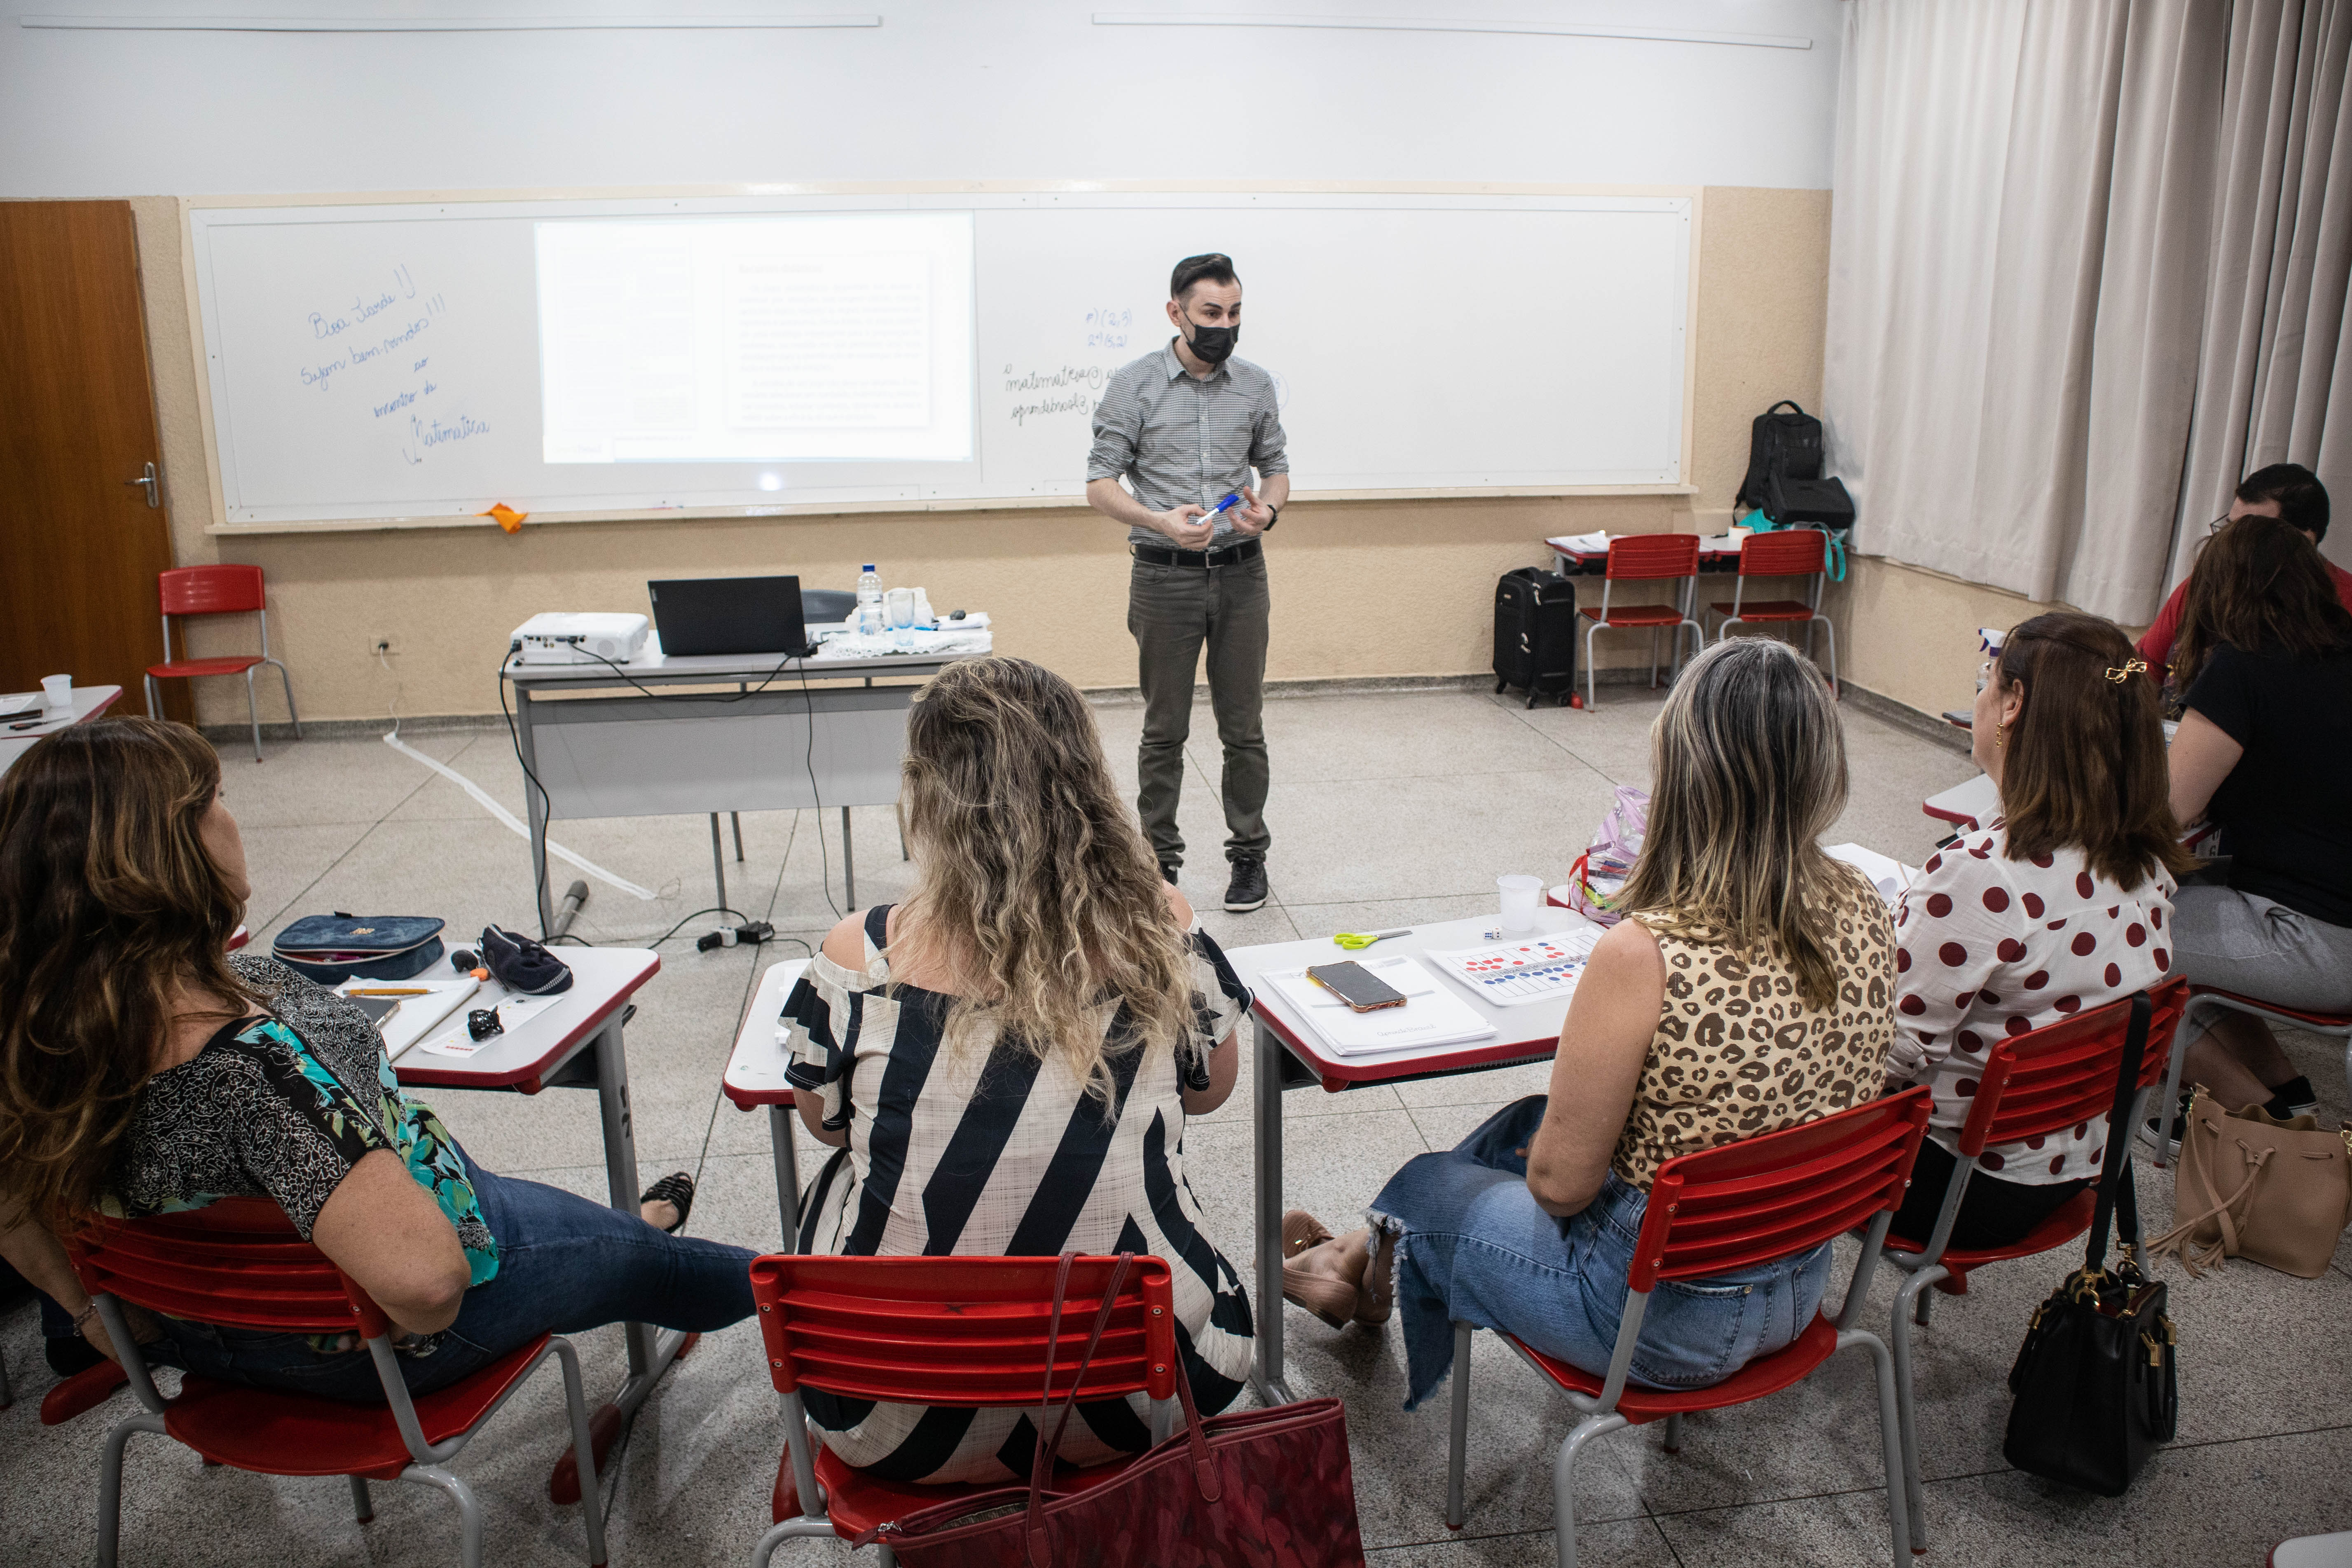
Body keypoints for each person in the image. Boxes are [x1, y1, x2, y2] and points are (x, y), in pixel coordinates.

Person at [0, 718, 757, 1401]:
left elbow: (13, 1211)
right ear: (168, 855)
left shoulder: (31, 1035)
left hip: (202, 1340)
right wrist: (398, 1303)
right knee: (669, 1269)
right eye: (218, 799)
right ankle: (790, 1294)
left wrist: (82, 1309)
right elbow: (428, 1284)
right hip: (368, 1334)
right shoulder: (251, 1076)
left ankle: (626, 1228)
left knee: (598, 1234)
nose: (234, 817)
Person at [1283, 639, 1896, 1408]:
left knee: (1424, 1185)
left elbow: (1559, 1189)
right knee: (1522, 1122)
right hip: (1799, 1283)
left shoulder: (1644, 954)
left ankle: (1363, 1272)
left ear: (1681, 773)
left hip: (1657, 1324)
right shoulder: (1864, 902)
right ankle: (1352, 1262)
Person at [780, 655, 1254, 1483]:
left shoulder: (859, 952)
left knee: (833, 1185)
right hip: (1148, 1390)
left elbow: (823, 1122)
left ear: (926, 796)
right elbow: (1211, 1092)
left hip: (891, 1410)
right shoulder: (1161, 929)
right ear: (1084, 782)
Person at [1883, 614, 2191, 1248]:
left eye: (1986, 682)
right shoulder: (2147, 866)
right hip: (2068, 1174)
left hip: (1947, 1186)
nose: (1978, 698)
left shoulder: (1984, 875)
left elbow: (1886, 1055)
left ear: (2013, 706)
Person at [1085, 252, 1290, 914]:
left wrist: (1269, 510)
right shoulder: (1134, 385)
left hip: (1240, 577)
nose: (1223, 325)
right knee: (1163, 731)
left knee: (1244, 728)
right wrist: (1157, 521)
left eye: (1233, 313)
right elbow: (1099, 485)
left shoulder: (1255, 385)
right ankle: (1157, 867)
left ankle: (1249, 858)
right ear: (1176, 312)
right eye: (1210, 313)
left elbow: (1275, 468)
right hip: (1163, 578)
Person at [2154, 513, 2352, 1136]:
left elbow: (2164, 811)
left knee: (2116, 939)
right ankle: (2288, 1090)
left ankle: (2265, 1122)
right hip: (2332, 912)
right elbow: (2132, 666)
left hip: (2314, 935)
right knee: (2192, 904)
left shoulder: (2244, 668)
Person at [2137, 463, 2352, 684]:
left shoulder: (2345, 601)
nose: (2227, 544)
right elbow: (2143, 669)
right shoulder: (2204, 586)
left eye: (2248, 532)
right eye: (2229, 528)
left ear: (2304, 538)